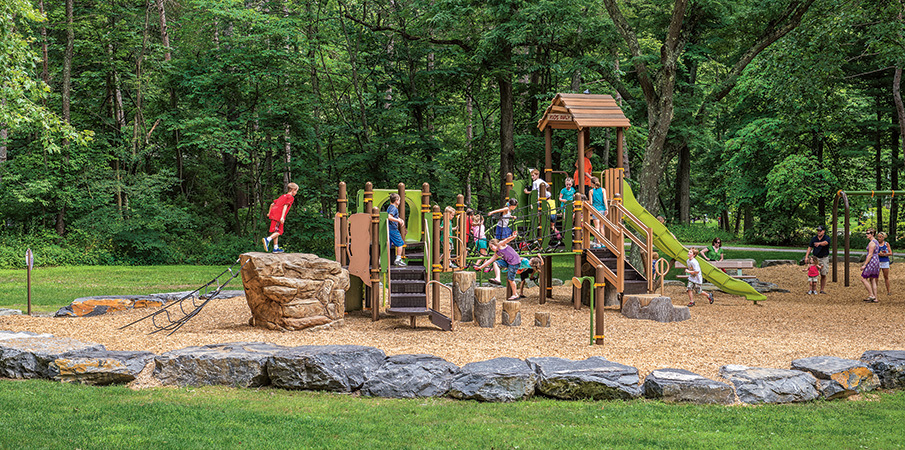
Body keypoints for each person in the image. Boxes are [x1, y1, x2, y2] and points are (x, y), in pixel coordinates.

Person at [474, 231, 522, 300]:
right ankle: (498, 278)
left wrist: (513, 237)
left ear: (495, 244)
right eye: (490, 248)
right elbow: (489, 261)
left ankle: (515, 294)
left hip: (515, 262)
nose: (491, 248)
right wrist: (480, 267)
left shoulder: (500, 245)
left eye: (491, 246)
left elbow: (506, 240)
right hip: (508, 262)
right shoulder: (497, 253)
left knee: (510, 279)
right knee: (495, 263)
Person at [262, 182, 299, 253]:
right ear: (292, 190)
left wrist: (269, 213)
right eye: (296, 191)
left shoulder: (283, 196)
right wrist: (282, 217)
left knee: (276, 231)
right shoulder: (290, 197)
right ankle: (267, 239)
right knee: (279, 231)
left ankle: (275, 248)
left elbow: (272, 204)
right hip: (279, 215)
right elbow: (285, 206)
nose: (296, 193)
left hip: (274, 213)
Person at [804, 225, 831, 294]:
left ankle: (822, 289)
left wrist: (819, 243)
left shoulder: (826, 238)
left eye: (820, 231)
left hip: (824, 257)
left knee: (823, 274)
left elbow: (826, 243)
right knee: (812, 273)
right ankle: (812, 289)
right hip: (815, 258)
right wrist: (806, 257)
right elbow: (810, 247)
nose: (819, 232)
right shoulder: (814, 239)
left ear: (823, 231)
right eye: (818, 231)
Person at [860, 229, 880, 302]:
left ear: (872, 234)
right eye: (866, 233)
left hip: (872, 261)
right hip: (876, 261)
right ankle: (875, 297)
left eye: (868, 233)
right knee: (872, 279)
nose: (867, 235)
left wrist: (865, 264)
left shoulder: (872, 243)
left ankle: (871, 295)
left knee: (863, 278)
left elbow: (870, 254)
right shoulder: (876, 242)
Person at [387, 193, 407, 266]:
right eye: (399, 200)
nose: (400, 202)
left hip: (389, 229)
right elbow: (389, 217)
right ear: (396, 201)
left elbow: (393, 216)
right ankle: (398, 259)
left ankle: (382, 260)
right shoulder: (394, 208)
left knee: (388, 245)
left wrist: (400, 219)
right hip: (392, 229)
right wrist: (398, 221)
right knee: (400, 243)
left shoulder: (390, 207)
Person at [590, 176, 607, 247]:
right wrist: (607, 209)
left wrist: (590, 210)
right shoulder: (603, 190)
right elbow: (605, 199)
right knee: (601, 227)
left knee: (596, 227)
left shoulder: (591, 191)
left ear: (592, 183)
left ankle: (598, 243)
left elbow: (591, 203)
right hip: (602, 209)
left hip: (595, 209)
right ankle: (603, 243)